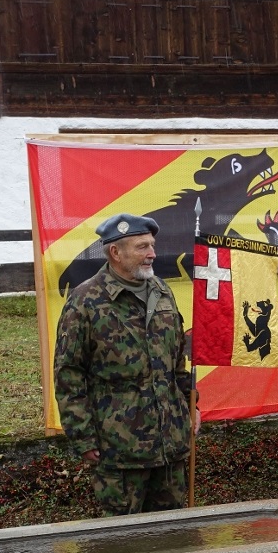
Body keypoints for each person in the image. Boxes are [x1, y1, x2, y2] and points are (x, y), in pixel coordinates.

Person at [54, 213, 200, 515]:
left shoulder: (162, 292)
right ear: (115, 253)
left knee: (173, 535)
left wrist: (192, 405)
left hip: (169, 446)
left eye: (152, 245)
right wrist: (83, 437)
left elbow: (177, 364)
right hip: (120, 451)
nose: (152, 254)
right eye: (142, 247)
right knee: (121, 542)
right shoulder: (85, 301)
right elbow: (69, 375)